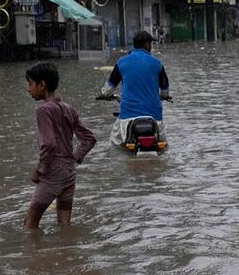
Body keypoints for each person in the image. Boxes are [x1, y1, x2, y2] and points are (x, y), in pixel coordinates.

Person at [24, 63, 97, 228]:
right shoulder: (68, 108)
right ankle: (66, 251)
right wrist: (75, 158)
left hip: (52, 174)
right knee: (64, 225)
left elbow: (49, 145)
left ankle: (36, 253)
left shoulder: (43, 110)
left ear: (42, 85)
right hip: (69, 174)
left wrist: (39, 169)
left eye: (30, 84)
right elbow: (89, 138)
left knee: (30, 224)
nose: (28, 89)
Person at [99, 31, 171, 146]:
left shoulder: (122, 62)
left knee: (115, 143)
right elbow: (165, 91)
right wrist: (164, 96)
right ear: (147, 45)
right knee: (163, 145)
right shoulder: (157, 63)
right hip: (154, 115)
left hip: (127, 116)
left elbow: (108, 88)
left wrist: (104, 94)